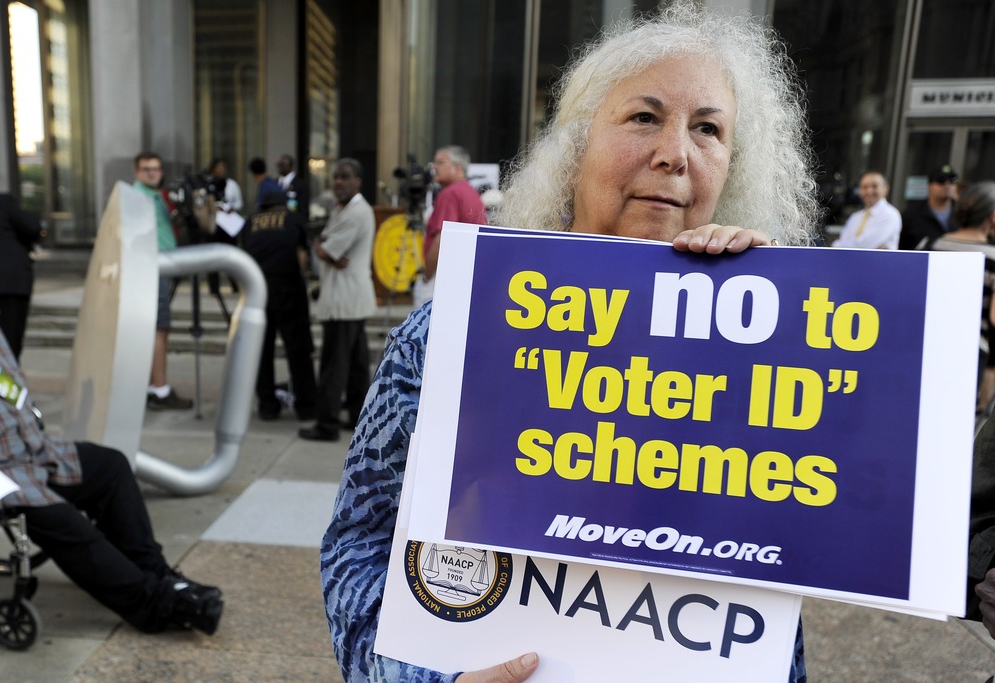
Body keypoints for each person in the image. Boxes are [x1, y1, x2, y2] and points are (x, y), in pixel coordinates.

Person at [321, 3, 819, 681]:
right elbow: (360, 540)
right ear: (578, 144)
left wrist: (765, 337)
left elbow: (770, 605)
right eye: (644, 117)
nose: (676, 151)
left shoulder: (769, 356)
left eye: (708, 129)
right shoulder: (454, 331)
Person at [0, 291, 223, 635]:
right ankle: (156, 605)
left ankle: (156, 572)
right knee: (65, 523)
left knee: (111, 466)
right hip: (2, 474)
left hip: (32, 450)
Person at [299, 159, 377, 442]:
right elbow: (329, 248)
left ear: (358, 181)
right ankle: (358, 416)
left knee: (334, 366)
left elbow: (326, 250)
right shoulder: (342, 209)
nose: (338, 183)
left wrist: (321, 245)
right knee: (356, 365)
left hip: (345, 300)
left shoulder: (356, 212)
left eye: (345, 177)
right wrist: (325, 246)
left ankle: (327, 424)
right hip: (349, 298)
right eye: (335, 178)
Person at [239, 190, 318, 421]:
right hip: (288, 289)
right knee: (298, 349)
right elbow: (302, 256)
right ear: (284, 206)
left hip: (258, 290)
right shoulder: (293, 220)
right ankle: (306, 406)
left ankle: (267, 405)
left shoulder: (250, 222)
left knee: (262, 351)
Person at [916, 182, 995, 410]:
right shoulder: (991, 257)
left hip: (927, 348)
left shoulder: (933, 245)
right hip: (969, 354)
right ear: (991, 216)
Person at [133, 152, 193, 411]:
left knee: (156, 328)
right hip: (152, 268)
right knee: (159, 328)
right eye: (146, 169)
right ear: (137, 172)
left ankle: (150, 386)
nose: (152, 173)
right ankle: (159, 389)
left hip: (162, 267)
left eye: (156, 168)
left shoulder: (157, 196)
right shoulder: (136, 197)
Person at [413, 145, 487, 307]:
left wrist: (427, 276)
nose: (434, 167)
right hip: (462, 274)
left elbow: (441, 239)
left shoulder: (450, 193)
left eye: (440, 162)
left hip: (443, 275)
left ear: (456, 168)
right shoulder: (469, 191)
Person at [0, 192, 44, 359]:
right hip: (11, 283)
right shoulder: (3, 202)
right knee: (10, 342)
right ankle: (5, 382)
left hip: (9, 282)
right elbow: (33, 228)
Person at [831, 171, 901, 249]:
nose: (869, 191)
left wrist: (844, 246)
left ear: (885, 188)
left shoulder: (890, 215)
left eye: (874, 186)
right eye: (864, 187)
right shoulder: (855, 217)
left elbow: (864, 246)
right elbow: (840, 243)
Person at [899, 164, 960, 250]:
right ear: (929, 186)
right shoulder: (911, 214)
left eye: (952, 181)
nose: (947, 185)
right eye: (941, 181)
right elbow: (902, 248)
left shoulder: (963, 212)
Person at [277, 154, 309, 219]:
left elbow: (303, 209)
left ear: (290, 166)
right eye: (279, 165)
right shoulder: (274, 183)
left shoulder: (300, 184)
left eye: (283, 165)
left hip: (293, 221)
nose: (280, 167)